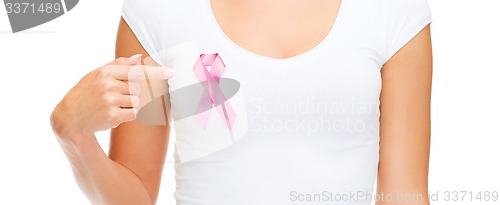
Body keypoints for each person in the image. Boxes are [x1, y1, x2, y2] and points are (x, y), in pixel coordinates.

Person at [50, 0, 433, 204]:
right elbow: (134, 199)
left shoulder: (392, 10)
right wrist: (73, 135)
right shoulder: (161, 10)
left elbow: (405, 195)